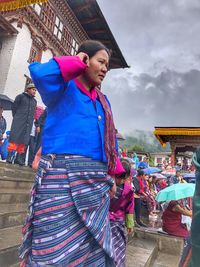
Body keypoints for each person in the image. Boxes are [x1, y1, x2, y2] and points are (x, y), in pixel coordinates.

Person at [19, 40, 123, 267]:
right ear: (85, 59)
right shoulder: (63, 88)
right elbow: (40, 73)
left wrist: (112, 175)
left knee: (90, 245)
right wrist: (76, 62)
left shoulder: (104, 102)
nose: (105, 69)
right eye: (101, 62)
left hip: (96, 184)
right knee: (52, 244)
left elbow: (110, 140)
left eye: (108, 64)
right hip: (61, 179)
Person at [109, 159, 134, 267]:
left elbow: (130, 208)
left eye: (124, 178)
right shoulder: (107, 185)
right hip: (106, 219)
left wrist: (130, 224)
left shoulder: (129, 190)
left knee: (119, 246)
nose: (121, 181)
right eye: (119, 177)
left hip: (118, 222)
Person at [6, 83, 37, 165]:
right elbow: (14, 108)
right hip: (18, 122)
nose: (35, 91)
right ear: (28, 89)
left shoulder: (34, 101)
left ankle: (18, 159)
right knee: (14, 140)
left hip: (28, 125)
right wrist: (17, 118)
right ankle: (9, 157)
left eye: (35, 90)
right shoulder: (20, 97)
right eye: (33, 89)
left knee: (23, 142)